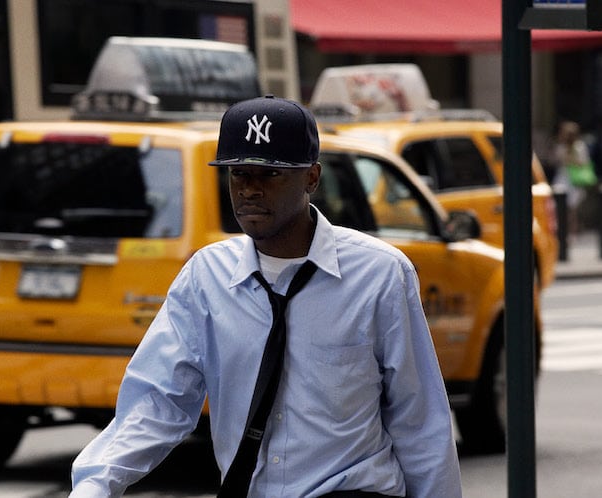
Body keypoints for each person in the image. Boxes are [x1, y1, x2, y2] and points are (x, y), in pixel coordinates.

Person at [69, 96, 462, 497]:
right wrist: (96, 485)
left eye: (270, 173)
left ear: (311, 178)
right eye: (238, 174)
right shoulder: (206, 277)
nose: (250, 190)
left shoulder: (379, 275)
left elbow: (420, 421)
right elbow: (157, 401)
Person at [551, 120, 596, 236]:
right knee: (558, 207)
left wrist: (571, 158)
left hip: (574, 180)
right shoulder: (560, 146)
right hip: (562, 178)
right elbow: (555, 161)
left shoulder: (579, 147)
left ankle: (572, 232)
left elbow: (584, 162)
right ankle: (561, 232)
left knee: (572, 209)